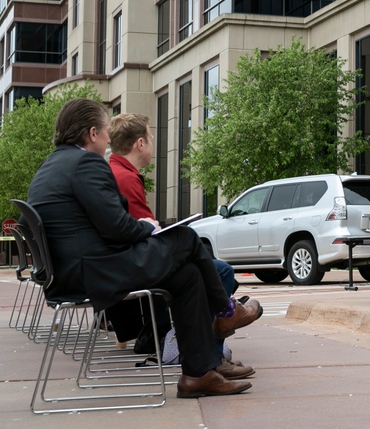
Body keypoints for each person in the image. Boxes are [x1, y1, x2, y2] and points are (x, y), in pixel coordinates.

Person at [26, 98, 258, 398]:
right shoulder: (85, 162)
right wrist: (149, 228)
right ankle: (226, 312)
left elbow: (95, 225)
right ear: (92, 133)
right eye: (106, 130)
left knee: (187, 276)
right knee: (187, 238)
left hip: (73, 271)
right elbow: (117, 227)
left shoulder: (50, 166)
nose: (109, 138)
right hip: (94, 272)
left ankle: (199, 374)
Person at [108, 113, 258, 378]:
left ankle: (208, 352)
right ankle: (212, 351)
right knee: (218, 269)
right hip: (132, 265)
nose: (153, 144)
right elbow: (143, 234)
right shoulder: (126, 178)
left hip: (122, 261)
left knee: (201, 265)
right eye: (151, 138)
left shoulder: (117, 171)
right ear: (140, 143)